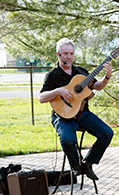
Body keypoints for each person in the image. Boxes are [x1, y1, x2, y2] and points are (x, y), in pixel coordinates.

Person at [40, 38, 114, 181]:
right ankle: (75, 166)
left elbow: (97, 86)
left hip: (82, 114)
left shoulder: (81, 72)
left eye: (71, 54)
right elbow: (42, 98)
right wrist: (58, 91)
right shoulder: (53, 75)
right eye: (65, 53)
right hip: (61, 116)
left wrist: (107, 76)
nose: (69, 57)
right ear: (58, 54)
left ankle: (88, 164)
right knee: (68, 140)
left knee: (107, 133)